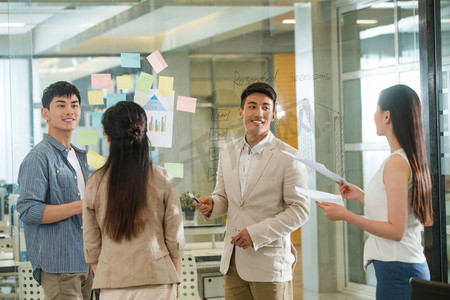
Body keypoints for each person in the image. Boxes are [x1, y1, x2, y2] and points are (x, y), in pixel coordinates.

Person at [194, 82, 310, 300]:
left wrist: (255, 234)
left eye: (266, 107)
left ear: (273, 114)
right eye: (252, 106)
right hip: (233, 262)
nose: (259, 113)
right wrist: (212, 204)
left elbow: (300, 211)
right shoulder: (227, 152)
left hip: (269, 264)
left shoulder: (289, 157)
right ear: (241, 112)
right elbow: (224, 197)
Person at [317, 84, 433, 300]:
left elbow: (396, 230)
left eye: (376, 109)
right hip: (401, 267)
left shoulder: (396, 162)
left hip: (398, 270)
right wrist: (361, 195)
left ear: (387, 115)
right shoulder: (407, 158)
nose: (374, 115)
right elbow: (397, 208)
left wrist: (345, 215)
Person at [82, 101, 184, 300]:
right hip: (158, 279)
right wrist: (174, 280)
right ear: (143, 133)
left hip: (112, 283)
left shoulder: (95, 182)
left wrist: (107, 275)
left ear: (108, 137)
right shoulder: (163, 177)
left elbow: (91, 244)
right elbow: (175, 238)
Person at [16, 81, 93, 299]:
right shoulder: (38, 157)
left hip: (85, 257)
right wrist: (81, 206)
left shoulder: (78, 156)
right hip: (59, 263)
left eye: (74, 104)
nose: (69, 110)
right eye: (61, 105)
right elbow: (29, 211)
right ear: (45, 113)